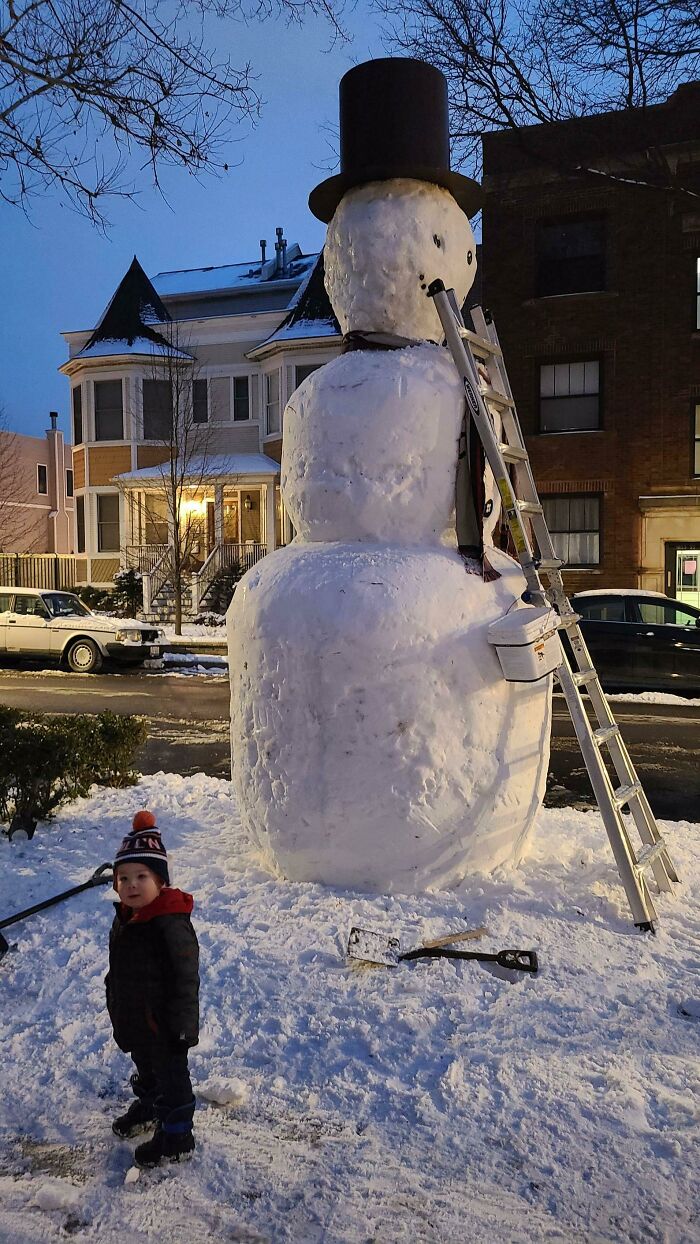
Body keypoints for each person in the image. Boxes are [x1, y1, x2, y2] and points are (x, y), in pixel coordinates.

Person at [105, 810, 199, 1167]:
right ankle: (148, 1107)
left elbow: (186, 977)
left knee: (172, 1081)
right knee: (147, 1069)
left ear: (160, 881)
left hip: (166, 1026)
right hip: (138, 1022)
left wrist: (182, 1028)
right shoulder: (128, 919)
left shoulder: (169, 924)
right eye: (123, 877)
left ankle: (177, 1136)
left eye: (141, 876)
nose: (130, 885)